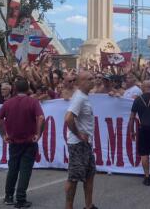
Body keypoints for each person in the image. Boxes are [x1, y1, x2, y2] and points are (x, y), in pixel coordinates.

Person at [0, 79, 45, 208]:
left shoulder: (8, 103)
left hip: (13, 141)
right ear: (28, 89)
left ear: (14, 89)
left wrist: (3, 135)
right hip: (29, 141)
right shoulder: (33, 102)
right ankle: (21, 198)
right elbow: (41, 118)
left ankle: (8, 196)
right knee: (25, 170)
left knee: (13, 169)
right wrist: (38, 134)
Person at [64, 71, 98, 209]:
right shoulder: (79, 98)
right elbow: (68, 118)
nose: (93, 80)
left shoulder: (84, 96)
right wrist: (78, 134)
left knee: (90, 174)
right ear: (81, 82)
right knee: (74, 178)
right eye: (89, 79)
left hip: (85, 144)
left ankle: (88, 206)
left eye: (93, 78)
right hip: (78, 144)